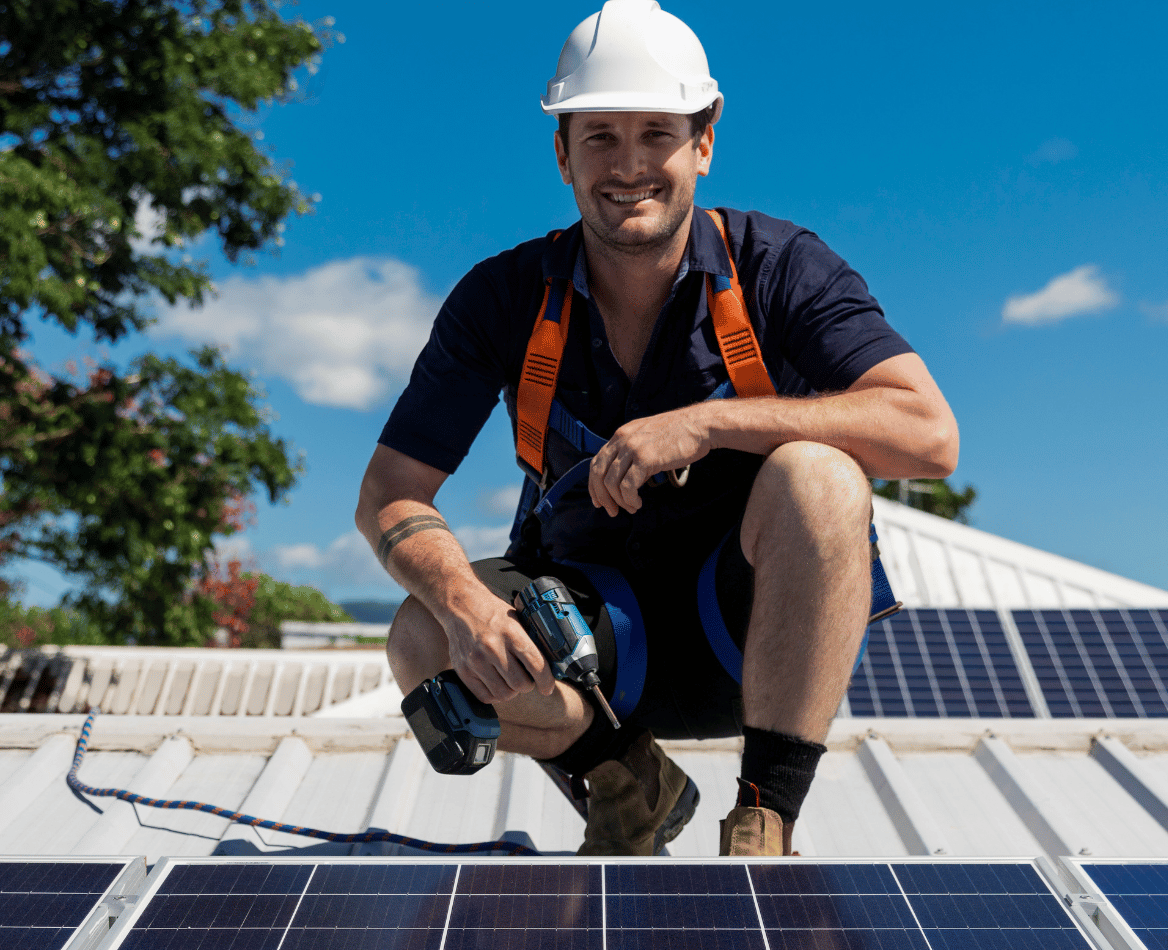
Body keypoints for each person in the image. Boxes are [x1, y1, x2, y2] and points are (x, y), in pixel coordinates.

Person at [355, 0, 957, 857]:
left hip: (748, 632)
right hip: (598, 658)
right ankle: (626, 784)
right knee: (421, 632)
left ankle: (763, 820)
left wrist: (709, 425)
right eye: (599, 136)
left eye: (656, 134)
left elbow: (930, 433)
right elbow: (388, 493)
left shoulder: (777, 268)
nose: (628, 164)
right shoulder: (502, 298)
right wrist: (462, 607)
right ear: (561, 153)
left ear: (704, 143)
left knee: (822, 478)